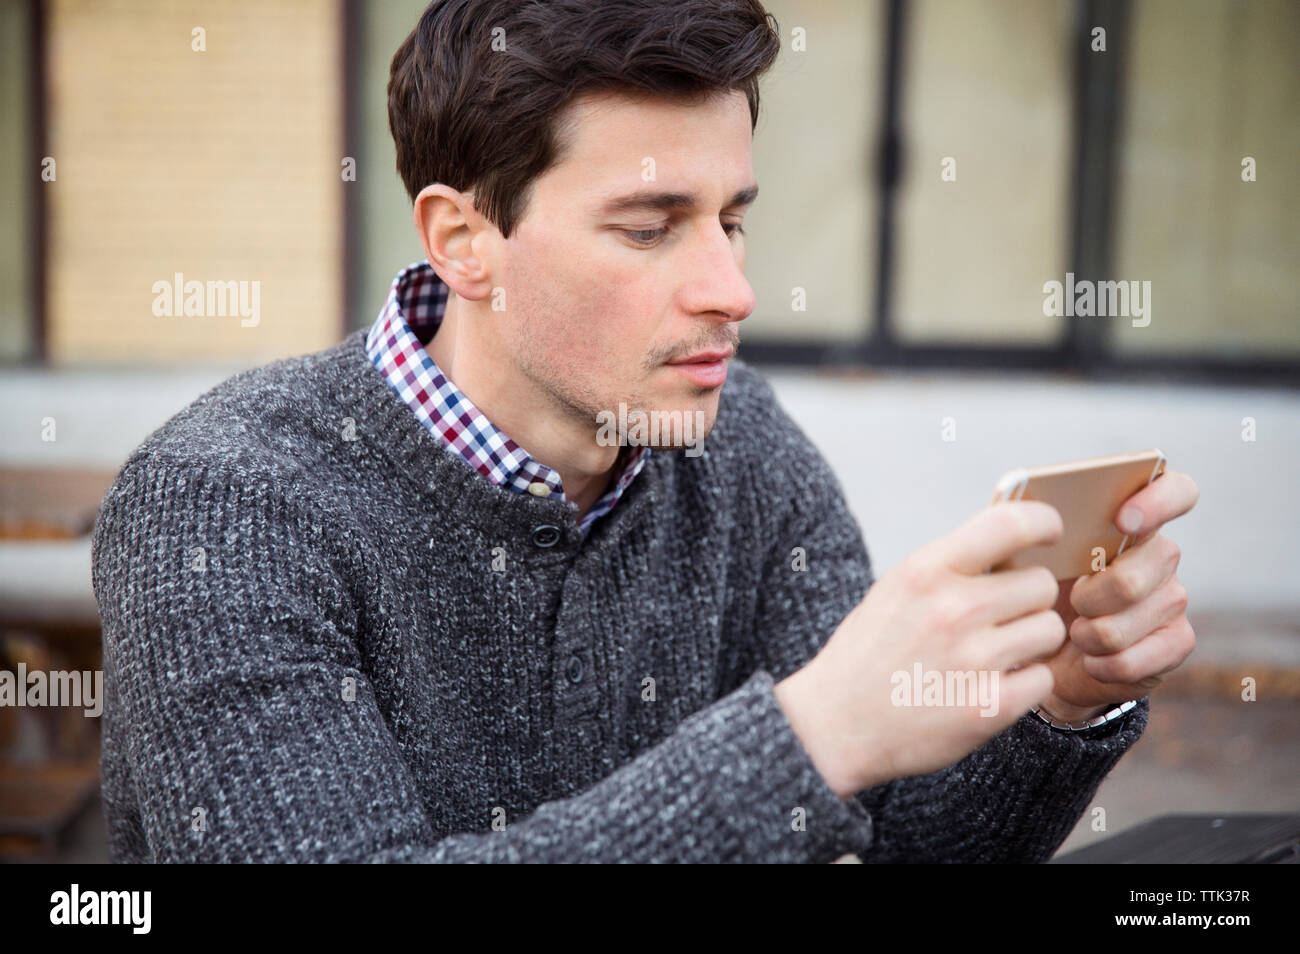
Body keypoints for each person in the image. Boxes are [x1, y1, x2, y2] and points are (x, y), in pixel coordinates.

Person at [92, 0, 1199, 863]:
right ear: (463, 242)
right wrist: (806, 739)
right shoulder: (223, 504)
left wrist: (1064, 698)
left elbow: (902, 840)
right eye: (650, 228)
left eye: (731, 221)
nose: (731, 289)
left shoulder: (740, 444)